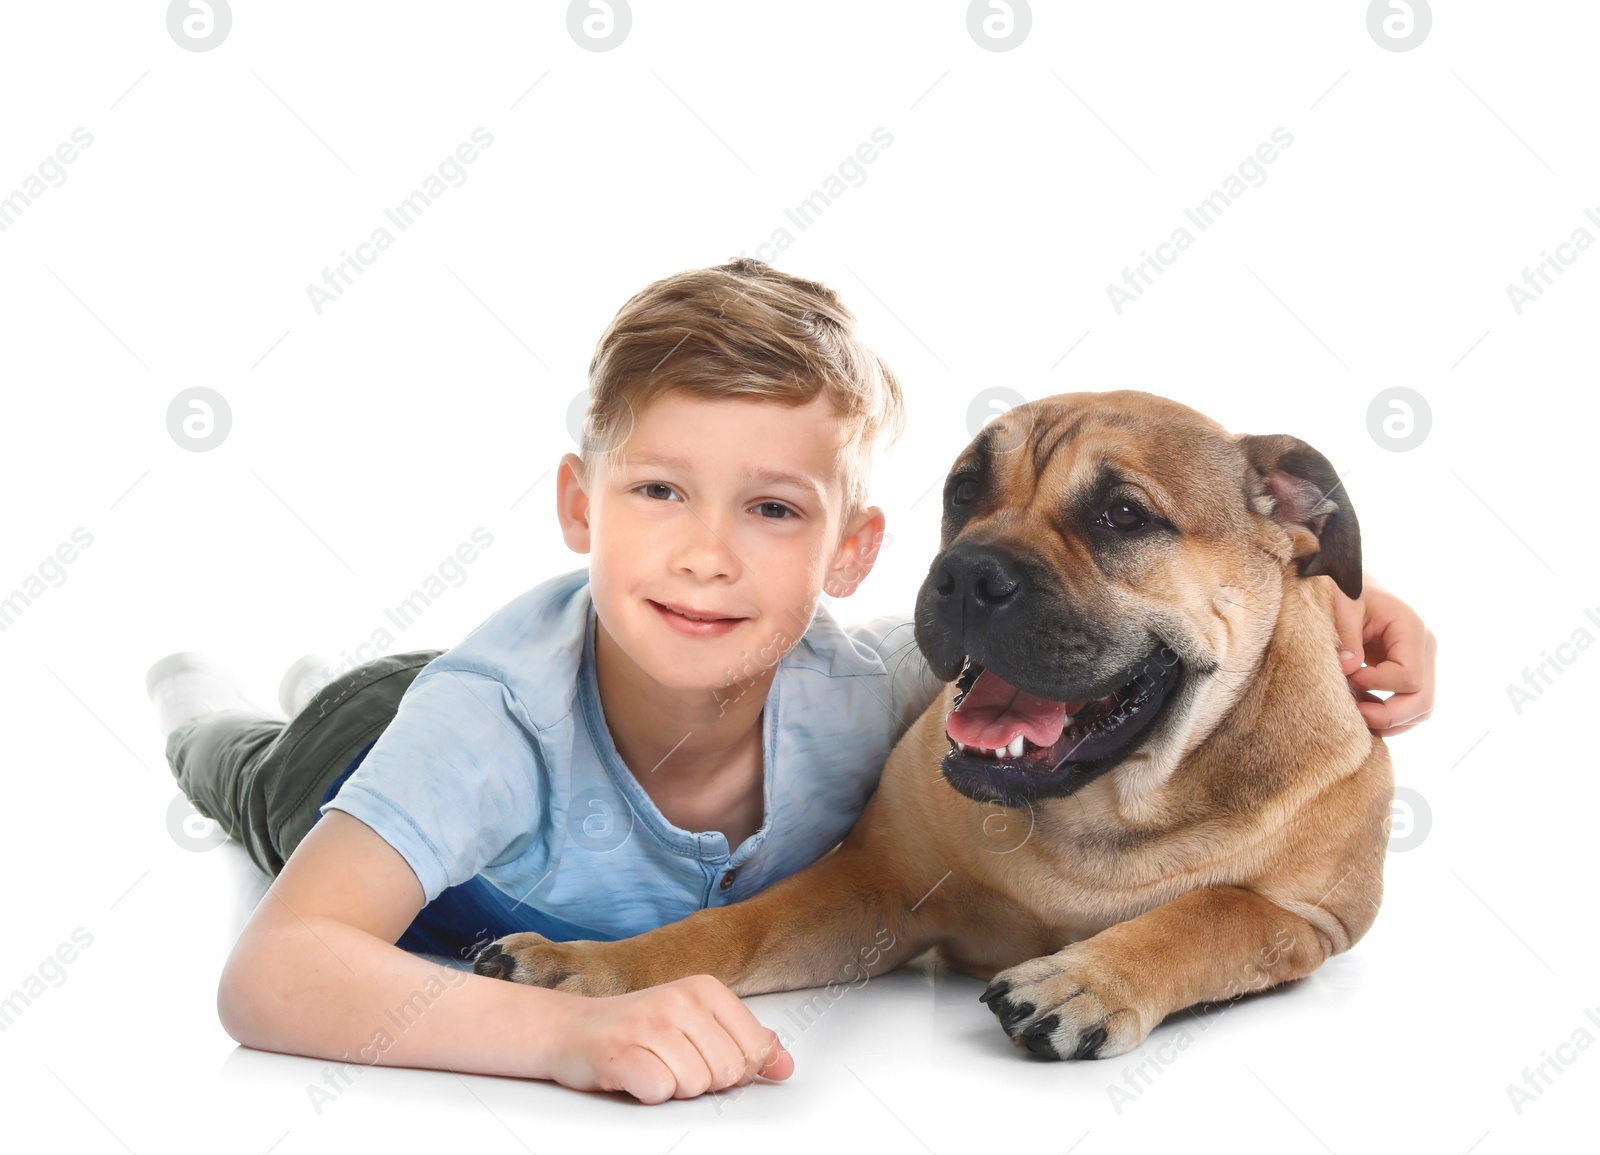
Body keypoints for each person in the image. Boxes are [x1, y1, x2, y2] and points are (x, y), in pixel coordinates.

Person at [147, 258, 1437, 1106]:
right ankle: (201, 700)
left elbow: (1300, 886)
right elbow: (273, 975)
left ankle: (323, 670)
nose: (710, 551)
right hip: (390, 748)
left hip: (534, 688)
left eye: (772, 507)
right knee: (252, 760)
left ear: (849, 554)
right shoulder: (488, 728)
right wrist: (571, 1041)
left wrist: (1350, 603)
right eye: (979, 507)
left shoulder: (854, 684)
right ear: (579, 507)